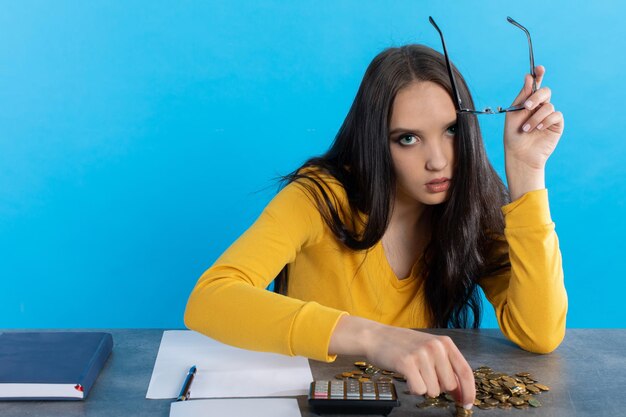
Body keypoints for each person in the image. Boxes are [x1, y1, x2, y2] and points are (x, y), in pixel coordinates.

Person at [184, 44, 567, 411]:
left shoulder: (469, 209)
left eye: (450, 130)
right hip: (321, 404)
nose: (437, 161)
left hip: (412, 405)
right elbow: (210, 299)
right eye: (408, 139)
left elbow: (540, 333)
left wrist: (527, 172)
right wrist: (372, 337)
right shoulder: (320, 197)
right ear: (376, 142)